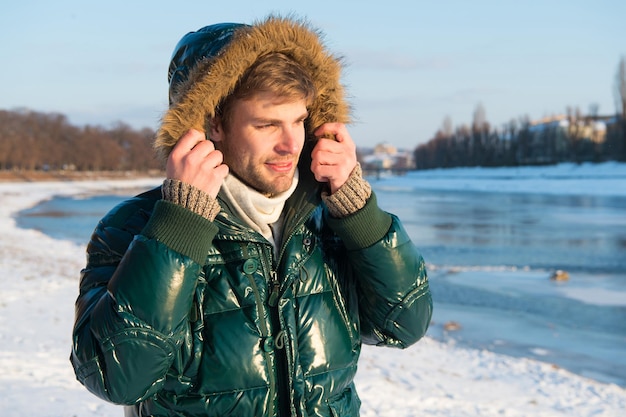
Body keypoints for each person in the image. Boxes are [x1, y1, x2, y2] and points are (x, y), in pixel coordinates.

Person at [70, 15, 433, 417]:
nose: (291, 144)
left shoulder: (327, 218)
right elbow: (117, 377)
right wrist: (179, 226)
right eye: (267, 124)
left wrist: (357, 209)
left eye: (299, 120)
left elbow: (404, 323)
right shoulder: (134, 227)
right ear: (213, 124)